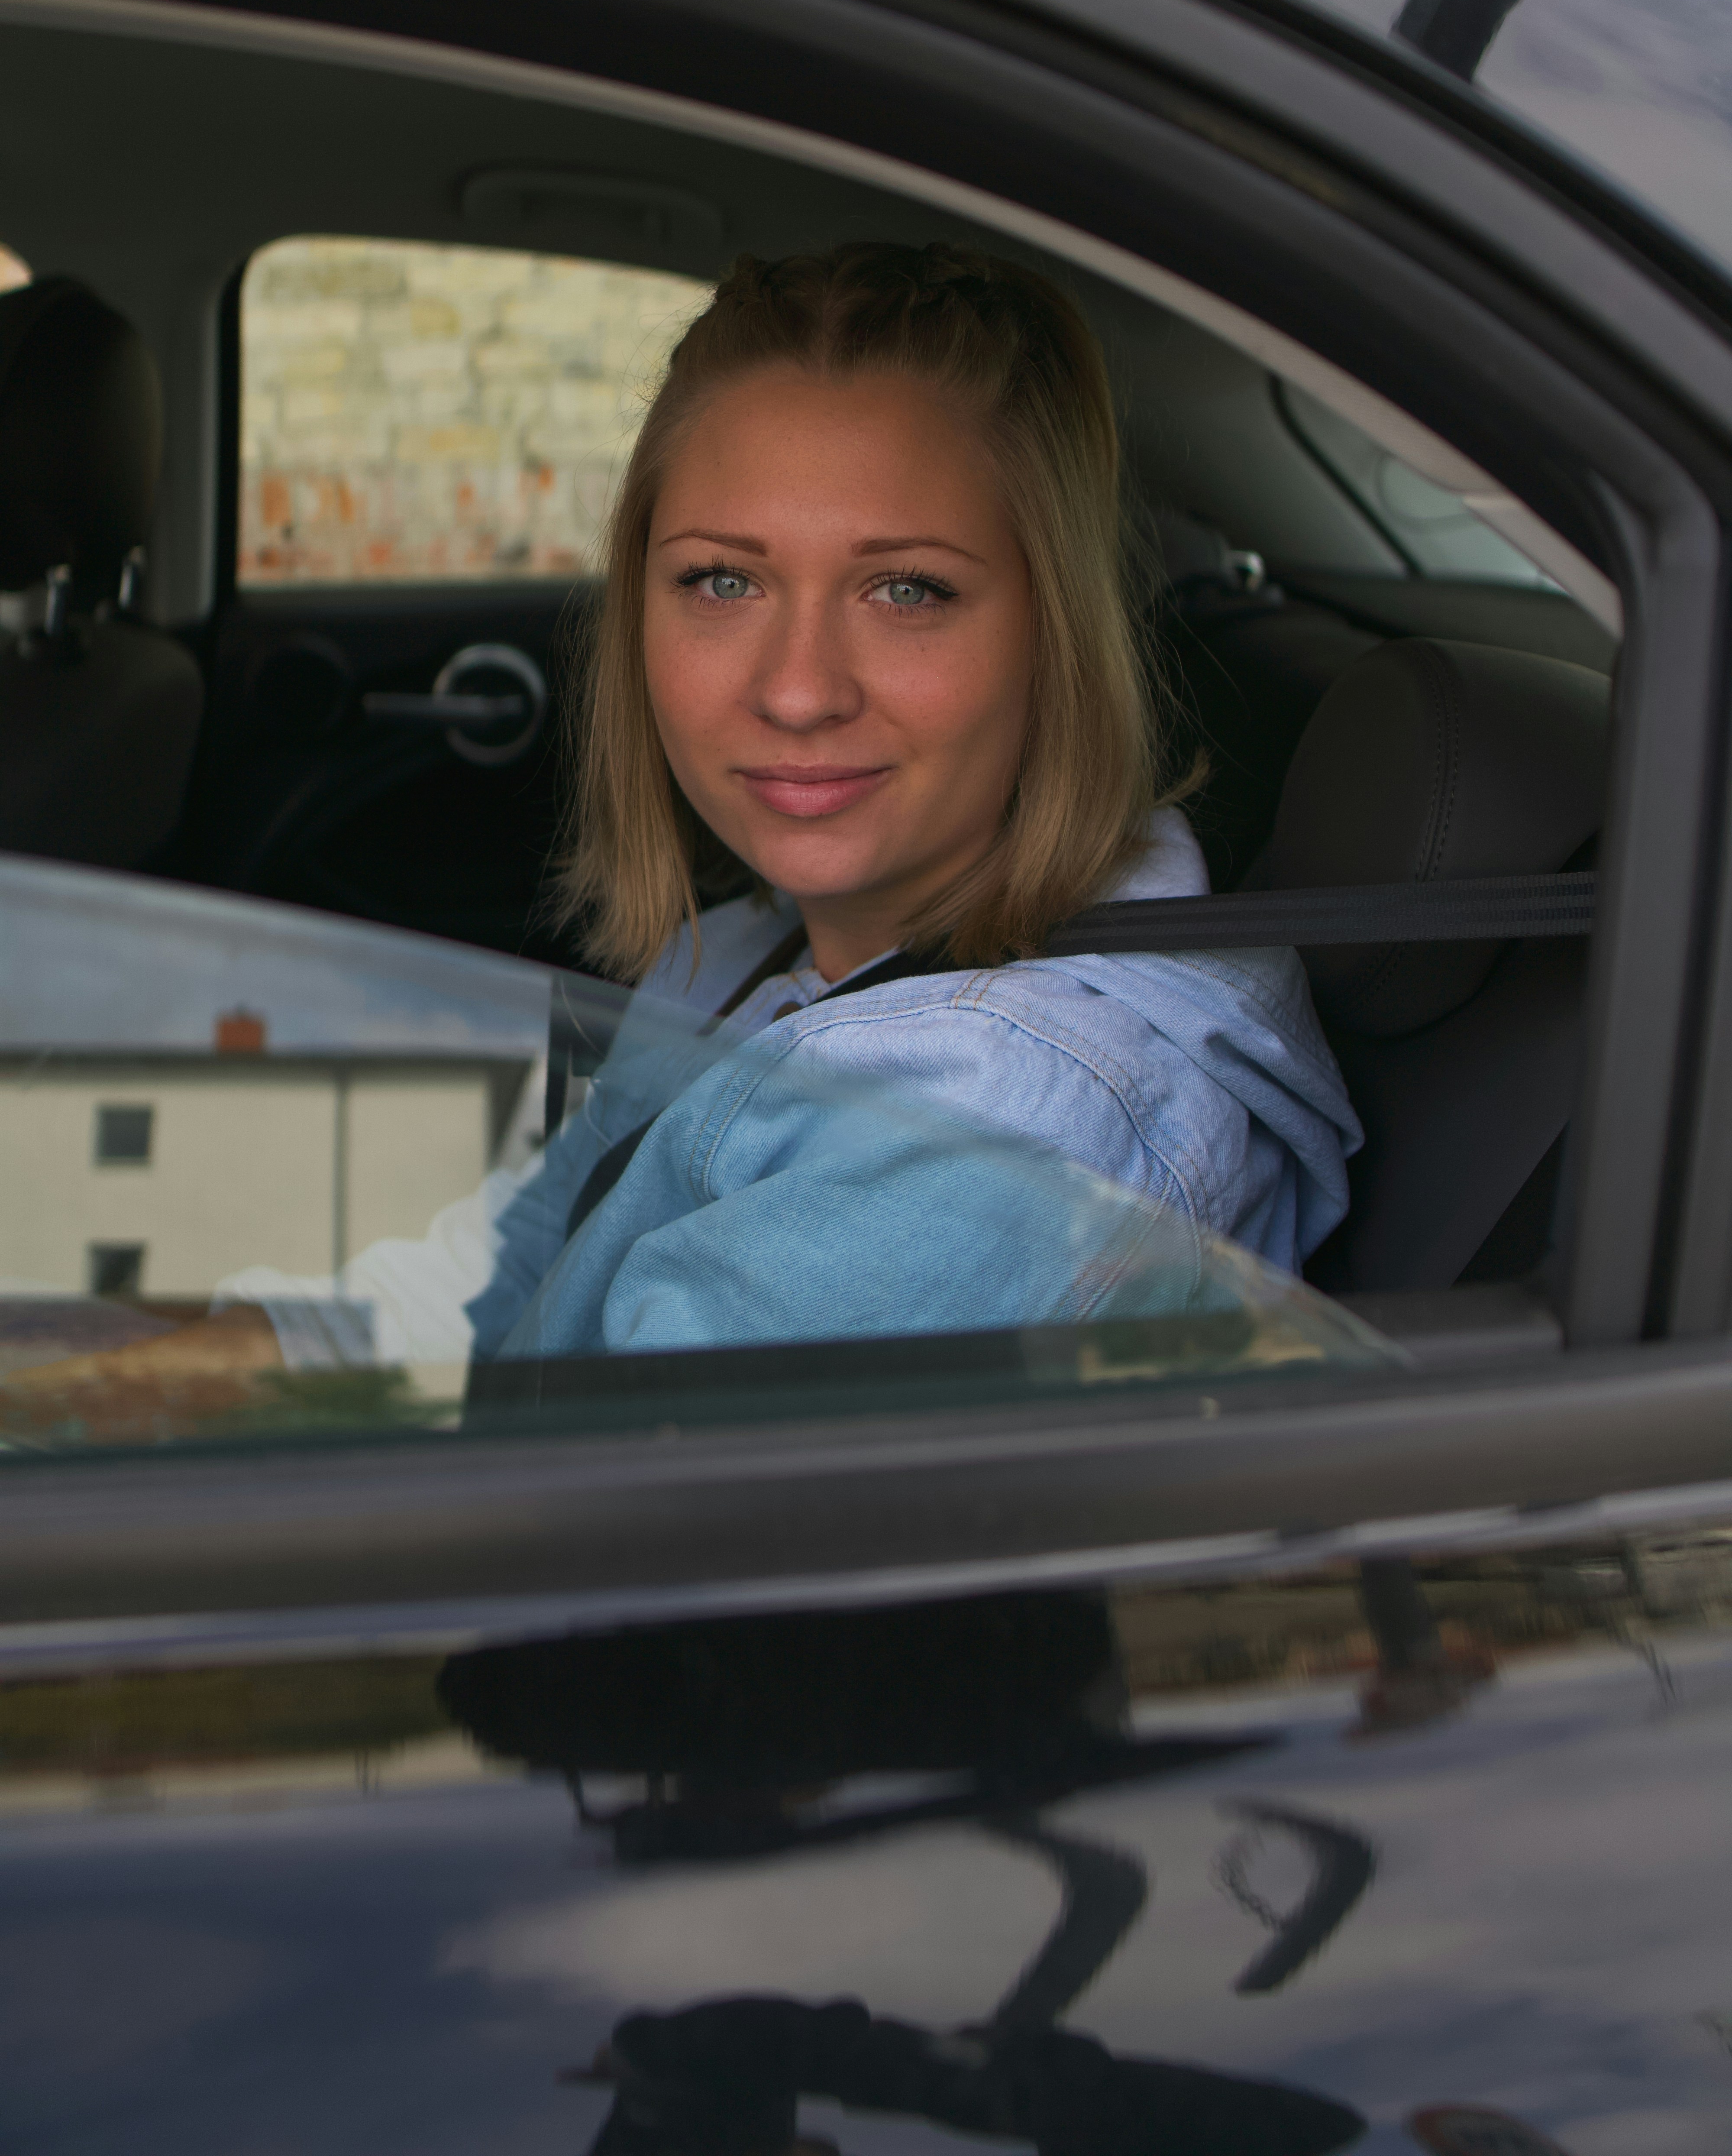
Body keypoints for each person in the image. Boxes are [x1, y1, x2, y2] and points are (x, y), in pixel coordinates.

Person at [5, 242, 1360, 1421]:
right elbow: (498, 1283)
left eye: (906, 590)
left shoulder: (993, 1131)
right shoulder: (766, 948)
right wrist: (120, 1386)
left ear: (1054, 636)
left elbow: (590, 1573)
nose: (794, 687)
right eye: (722, 579)